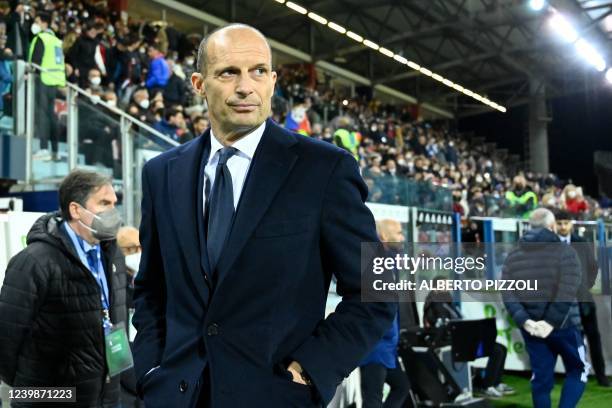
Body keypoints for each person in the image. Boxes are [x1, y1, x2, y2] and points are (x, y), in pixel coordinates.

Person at [132, 23, 395, 408]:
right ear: (198, 83)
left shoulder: (325, 168)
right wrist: (150, 370)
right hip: (175, 396)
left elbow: (378, 287)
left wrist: (309, 368)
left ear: (272, 82)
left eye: (258, 71)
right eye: (228, 73)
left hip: (275, 395)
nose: (245, 86)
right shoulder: (161, 173)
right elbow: (152, 288)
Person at [0, 170, 127, 407]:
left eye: (114, 204)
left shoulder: (113, 255)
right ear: (76, 209)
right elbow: (6, 341)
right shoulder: (34, 262)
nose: (112, 212)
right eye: (103, 203)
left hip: (105, 397)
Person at [502, 208, 589, 408]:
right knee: (579, 370)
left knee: (541, 379)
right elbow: (568, 290)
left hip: (532, 329)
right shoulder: (566, 252)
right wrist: (550, 322)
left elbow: (508, 292)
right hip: (564, 326)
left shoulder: (513, 255)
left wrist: (525, 321)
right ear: (551, 226)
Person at [423, 278, 515, 399]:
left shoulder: (446, 302)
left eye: (448, 284)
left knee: (501, 348)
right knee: (496, 350)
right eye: (444, 285)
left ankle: (496, 383)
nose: (448, 287)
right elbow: (444, 328)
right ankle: (487, 386)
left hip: (462, 339)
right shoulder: (436, 304)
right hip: (454, 345)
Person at [555, 209, 609, 387]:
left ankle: (601, 375)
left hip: (584, 300)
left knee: (593, 338)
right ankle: (575, 374)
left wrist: (585, 287)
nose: (563, 226)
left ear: (571, 224)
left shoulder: (581, 243)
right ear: (555, 224)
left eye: (566, 223)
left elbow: (592, 268)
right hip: (561, 303)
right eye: (560, 223)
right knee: (568, 340)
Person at [360, 220, 410, 408]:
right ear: (384, 237)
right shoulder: (375, 263)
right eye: (398, 233)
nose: (403, 237)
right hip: (376, 346)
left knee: (402, 386)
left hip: (388, 346)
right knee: (373, 399)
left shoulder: (391, 262)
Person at [28, 11, 65, 161]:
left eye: (37, 21)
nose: (35, 24)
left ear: (44, 23)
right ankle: (55, 151)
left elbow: (35, 62)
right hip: (54, 81)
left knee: (43, 116)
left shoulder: (41, 38)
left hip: (42, 80)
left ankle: (44, 149)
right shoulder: (56, 41)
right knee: (52, 117)